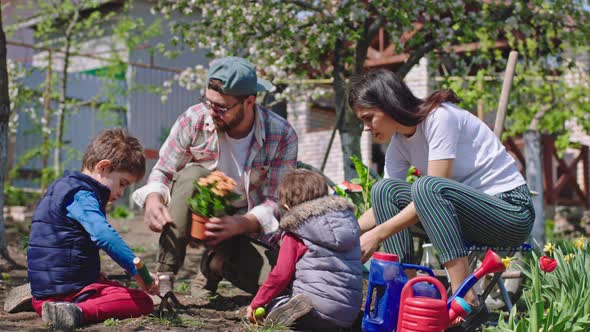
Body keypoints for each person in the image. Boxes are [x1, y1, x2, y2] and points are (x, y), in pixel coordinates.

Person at [348, 69, 534, 317]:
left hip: (510, 213)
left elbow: (432, 191)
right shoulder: (399, 144)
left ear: (389, 104)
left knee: (427, 186)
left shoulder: (440, 118)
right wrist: (345, 234)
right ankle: (407, 294)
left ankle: (465, 298)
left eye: (369, 118)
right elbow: (384, 206)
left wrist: (377, 235)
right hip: (468, 218)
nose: (366, 128)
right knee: (384, 190)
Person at [132, 56, 298, 297]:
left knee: (280, 287)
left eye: (220, 107)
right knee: (191, 175)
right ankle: (164, 277)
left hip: (246, 226)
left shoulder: (282, 135)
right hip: (197, 213)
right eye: (207, 102)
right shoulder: (194, 119)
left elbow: (278, 201)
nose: (211, 111)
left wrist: (244, 223)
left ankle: (214, 264)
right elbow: (164, 170)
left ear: (249, 102)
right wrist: (153, 198)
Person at [27, 129, 159, 331]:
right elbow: (104, 235)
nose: (121, 192)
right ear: (103, 167)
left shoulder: (62, 186)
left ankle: (35, 298)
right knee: (142, 301)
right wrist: (136, 270)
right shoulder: (83, 195)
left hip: (46, 288)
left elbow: (61, 243)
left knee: (110, 286)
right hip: (64, 293)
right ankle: (75, 311)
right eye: (122, 183)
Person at [246, 169, 363, 330]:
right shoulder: (348, 224)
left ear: (287, 206)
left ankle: (286, 316)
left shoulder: (297, 229)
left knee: (273, 305)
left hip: (314, 309)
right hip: (348, 314)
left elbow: (281, 275)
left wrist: (256, 303)